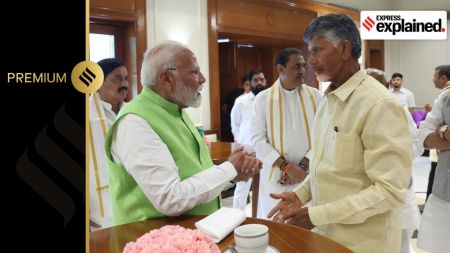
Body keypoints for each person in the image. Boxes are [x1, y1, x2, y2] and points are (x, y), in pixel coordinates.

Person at [268, 14, 412, 253]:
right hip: (326, 234)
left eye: (317, 51)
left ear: (344, 49)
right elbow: (326, 168)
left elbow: (389, 191)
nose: (310, 61)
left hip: (364, 242)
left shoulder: (378, 104)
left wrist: (316, 216)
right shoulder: (328, 99)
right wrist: (301, 195)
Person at [104, 40, 262, 226]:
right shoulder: (134, 122)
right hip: (153, 242)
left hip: (195, 236)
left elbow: (196, 174)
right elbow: (170, 198)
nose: (203, 79)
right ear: (166, 78)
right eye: (194, 72)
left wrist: (231, 176)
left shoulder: (177, 111)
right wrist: (228, 169)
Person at [251, 48, 321, 219]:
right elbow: (257, 140)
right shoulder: (263, 99)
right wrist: (287, 167)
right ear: (280, 69)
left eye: (304, 66)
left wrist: (302, 167)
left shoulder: (316, 97)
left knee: (306, 231)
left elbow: (323, 136)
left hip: (308, 178)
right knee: (278, 229)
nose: (303, 71)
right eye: (296, 67)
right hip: (276, 179)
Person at [367, 68, 422, 253]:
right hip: (366, 190)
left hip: (398, 184)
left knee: (400, 242)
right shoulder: (354, 109)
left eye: (381, 84)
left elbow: (417, 142)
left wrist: (395, 161)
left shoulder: (399, 109)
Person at [89, 58, 129, 231]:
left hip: (131, 198)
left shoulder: (133, 112)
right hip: (98, 207)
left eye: (126, 78)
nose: (124, 84)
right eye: (117, 79)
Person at [417, 65, 450, 253]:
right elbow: (424, 136)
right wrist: (443, 130)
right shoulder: (446, 98)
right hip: (446, 193)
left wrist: (442, 130)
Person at [230, 69, 267, 211]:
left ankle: (261, 215)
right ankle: (236, 215)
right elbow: (235, 124)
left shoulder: (269, 99)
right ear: (249, 83)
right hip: (247, 148)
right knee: (243, 185)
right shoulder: (241, 101)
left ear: (266, 82)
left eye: (261, 80)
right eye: (255, 80)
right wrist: (241, 145)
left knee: (265, 184)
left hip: (265, 148)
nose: (259, 82)